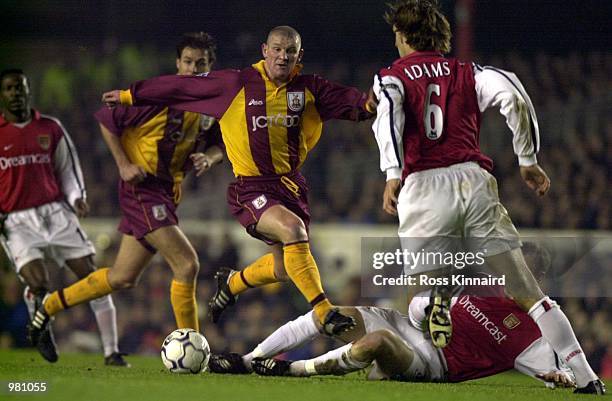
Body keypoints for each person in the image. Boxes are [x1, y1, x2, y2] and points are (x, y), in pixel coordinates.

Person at [370, 0, 604, 394]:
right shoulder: (469, 71)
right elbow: (513, 93)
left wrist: (392, 173)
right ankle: (586, 378)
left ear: (405, 35)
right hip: (474, 181)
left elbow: (388, 114)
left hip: (424, 185)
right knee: (529, 293)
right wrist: (527, 159)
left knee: (419, 300)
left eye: (396, 35)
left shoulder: (391, 76)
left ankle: (436, 302)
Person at [101, 26, 377, 335]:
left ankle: (232, 283)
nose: (282, 56)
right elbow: (180, 87)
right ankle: (326, 311)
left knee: (284, 269)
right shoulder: (235, 83)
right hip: (251, 188)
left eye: (289, 51)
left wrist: (372, 102)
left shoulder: (310, 88)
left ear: (299, 55)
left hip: (290, 187)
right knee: (292, 229)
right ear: (264, 50)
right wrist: (130, 95)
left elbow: (358, 105)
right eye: (276, 49)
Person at [28, 33, 224, 344]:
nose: (192, 68)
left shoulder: (210, 106)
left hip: (168, 192)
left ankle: (49, 305)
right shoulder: (157, 95)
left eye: (200, 64)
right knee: (187, 264)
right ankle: (194, 347)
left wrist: (209, 159)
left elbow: (218, 145)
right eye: (187, 62)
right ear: (178, 63)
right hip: (142, 188)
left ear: (210, 67)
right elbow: (108, 119)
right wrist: (122, 164)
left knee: (122, 277)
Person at [207, 284, 579, 391]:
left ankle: (289, 371)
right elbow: (419, 305)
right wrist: (429, 307)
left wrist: (562, 378)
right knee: (331, 315)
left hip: (434, 363)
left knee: (377, 344)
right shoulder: (484, 288)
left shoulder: (534, 333)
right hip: (407, 326)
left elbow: (559, 371)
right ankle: (248, 360)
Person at [0, 68, 127, 365]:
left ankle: (111, 351)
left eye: (20, 88)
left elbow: (67, 169)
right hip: (15, 220)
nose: (16, 93)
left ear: (28, 91)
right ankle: (42, 330)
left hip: (56, 213)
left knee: (93, 278)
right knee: (37, 282)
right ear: (2, 94)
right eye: (9, 89)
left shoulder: (50, 127)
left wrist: (76, 197)